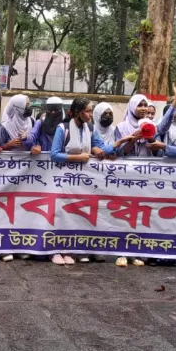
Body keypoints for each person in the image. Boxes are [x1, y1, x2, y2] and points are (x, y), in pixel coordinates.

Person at [50, 98, 131, 265]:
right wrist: (77, 157)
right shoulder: (63, 128)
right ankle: (55, 250)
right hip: (63, 179)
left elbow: (102, 147)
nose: (89, 115)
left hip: (82, 182)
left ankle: (68, 250)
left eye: (90, 111)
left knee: (75, 215)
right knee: (61, 214)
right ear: (78, 112)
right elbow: (54, 154)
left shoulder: (90, 128)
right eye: (87, 111)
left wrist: (121, 141)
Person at [116, 80, 176, 157]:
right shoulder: (121, 128)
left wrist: (151, 139)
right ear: (132, 107)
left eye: (145, 105)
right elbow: (118, 153)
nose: (143, 108)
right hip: (129, 165)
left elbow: (159, 153)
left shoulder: (152, 126)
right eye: (139, 105)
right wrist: (133, 140)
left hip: (149, 164)